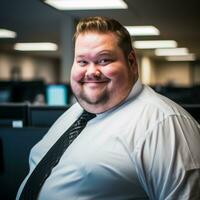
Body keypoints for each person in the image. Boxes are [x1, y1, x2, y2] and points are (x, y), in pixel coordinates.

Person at [16, 16, 200, 200]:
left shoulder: (164, 124)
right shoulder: (74, 113)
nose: (91, 72)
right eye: (82, 62)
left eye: (104, 60)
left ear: (131, 62)